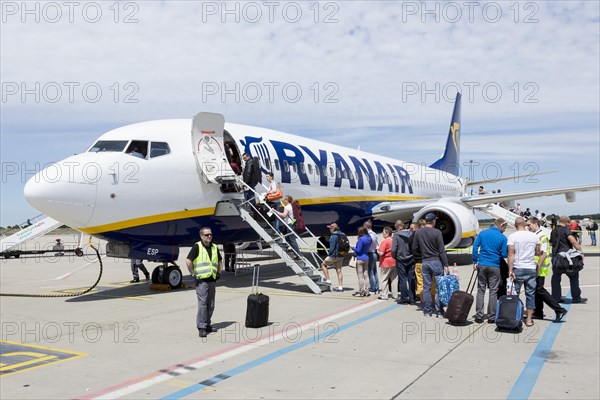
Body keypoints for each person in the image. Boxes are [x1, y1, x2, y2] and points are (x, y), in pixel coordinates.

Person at [527, 217, 568, 323]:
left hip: (539, 268)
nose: (528, 227)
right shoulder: (535, 235)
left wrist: (538, 268)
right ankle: (538, 312)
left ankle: (559, 309)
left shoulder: (542, 236)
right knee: (536, 290)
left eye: (529, 225)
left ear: (535, 224)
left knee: (540, 289)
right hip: (536, 267)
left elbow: (543, 254)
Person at [186, 227, 223, 338]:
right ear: (201, 236)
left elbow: (220, 260)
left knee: (211, 305)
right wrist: (193, 274)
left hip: (212, 279)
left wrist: (219, 272)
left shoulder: (215, 247)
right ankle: (201, 327)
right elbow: (188, 261)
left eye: (210, 234)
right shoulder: (197, 246)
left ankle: (207, 324)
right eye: (206, 235)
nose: (209, 236)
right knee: (203, 305)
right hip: (201, 281)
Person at [472, 218, 508, 324]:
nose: (504, 230)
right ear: (501, 225)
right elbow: (505, 254)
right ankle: (491, 317)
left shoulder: (483, 233)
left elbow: (475, 247)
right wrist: (496, 253)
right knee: (493, 291)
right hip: (495, 265)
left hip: (482, 264)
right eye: (504, 228)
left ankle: (479, 316)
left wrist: (475, 260)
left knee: (480, 290)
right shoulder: (502, 237)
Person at [412, 213, 449, 317]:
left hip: (425, 261)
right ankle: (439, 311)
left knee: (426, 287)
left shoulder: (418, 232)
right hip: (436, 260)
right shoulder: (437, 232)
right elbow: (442, 250)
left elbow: (414, 248)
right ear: (434, 221)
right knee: (438, 287)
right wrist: (446, 264)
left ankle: (427, 311)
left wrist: (423, 253)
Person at [507, 217, 540, 328]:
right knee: (530, 294)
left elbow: (511, 254)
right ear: (525, 224)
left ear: (515, 225)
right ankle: (529, 319)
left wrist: (510, 270)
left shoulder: (512, 236)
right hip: (530, 268)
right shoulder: (534, 236)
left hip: (518, 268)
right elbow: (538, 252)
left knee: (514, 294)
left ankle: (516, 316)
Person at [551, 216, 586, 304]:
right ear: (567, 222)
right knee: (573, 277)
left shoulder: (553, 231)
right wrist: (580, 251)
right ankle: (576, 297)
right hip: (567, 257)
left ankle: (556, 297)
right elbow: (573, 241)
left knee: (556, 277)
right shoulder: (566, 230)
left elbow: (552, 243)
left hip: (557, 257)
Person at [392, 219, 415, 304]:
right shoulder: (411, 233)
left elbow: (394, 249)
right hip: (411, 258)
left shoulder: (396, 235)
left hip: (401, 259)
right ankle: (412, 298)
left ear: (397, 226)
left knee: (402, 279)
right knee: (411, 278)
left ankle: (404, 298)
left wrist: (394, 256)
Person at [271, 195, 301, 260]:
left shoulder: (287, 207)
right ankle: (294, 252)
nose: (284, 200)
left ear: (287, 200)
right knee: (288, 237)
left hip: (289, 224)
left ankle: (298, 254)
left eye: (285, 199)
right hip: (292, 223)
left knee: (292, 240)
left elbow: (284, 215)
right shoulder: (293, 206)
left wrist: (275, 211)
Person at [321, 223, 345, 292]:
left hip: (334, 255)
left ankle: (328, 280)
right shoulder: (342, 234)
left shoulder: (334, 236)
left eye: (330, 228)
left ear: (333, 228)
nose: (329, 229)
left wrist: (329, 254)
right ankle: (340, 287)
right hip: (341, 255)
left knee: (323, 265)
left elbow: (332, 248)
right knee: (339, 270)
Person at [377, 226, 397, 300]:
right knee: (394, 278)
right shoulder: (393, 240)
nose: (382, 234)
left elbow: (381, 253)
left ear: (387, 233)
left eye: (383, 233)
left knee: (384, 279)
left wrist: (377, 250)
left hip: (386, 262)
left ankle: (384, 295)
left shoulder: (385, 241)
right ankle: (395, 294)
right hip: (394, 261)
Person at [351, 226, 372, 297]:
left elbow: (358, 250)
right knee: (366, 275)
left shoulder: (361, 239)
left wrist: (352, 247)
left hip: (360, 258)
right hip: (366, 257)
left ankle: (361, 290)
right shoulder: (369, 238)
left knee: (360, 276)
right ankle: (367, 290)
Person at [363, 220, 380, 295]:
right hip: (374, 252)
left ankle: (372, 288)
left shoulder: (369, 235)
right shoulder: (374, 234)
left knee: (371, 271)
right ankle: (376, 287)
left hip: (370, 253)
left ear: (366, 227)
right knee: (374, 271)